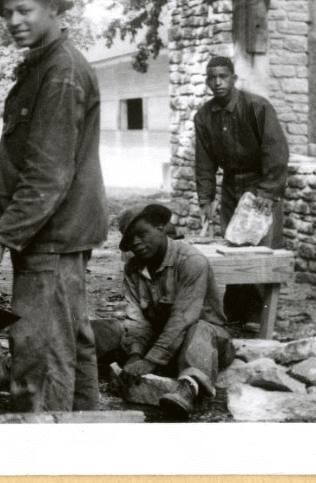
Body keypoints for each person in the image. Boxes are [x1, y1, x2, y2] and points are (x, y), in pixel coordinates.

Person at [0, 0, 108, 413]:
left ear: (53, 9)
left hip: (51, 238)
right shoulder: (42, 66)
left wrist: (2, 235)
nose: (13, 20)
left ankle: (42, 460)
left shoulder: (61, 72)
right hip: (51, 237)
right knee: (70, 343)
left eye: (24, 10)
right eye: (7, 13)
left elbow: (47, 176)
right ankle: (90, 451)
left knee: (40, 357)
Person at [91, 203, 234, 420]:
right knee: (101, 329)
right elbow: (136, 318)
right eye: (130, 239)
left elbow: (183, 319)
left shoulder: (191, 262)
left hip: (205, 341)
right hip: (161, 340)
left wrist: (150, 361)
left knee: (199, 329)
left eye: (141, 234)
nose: (136, 243)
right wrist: (136, 354)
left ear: (160, 228)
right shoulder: (133, 268)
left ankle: (189, 387)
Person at [193, 55, 289, 321]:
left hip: (260, 185)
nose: (218, 82)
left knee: (260, 250)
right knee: (233, 249)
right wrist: (206, 199)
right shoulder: (204, 117)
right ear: (207, 81)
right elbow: (204, 162)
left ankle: (261, 319)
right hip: (231, 187)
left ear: (233, 79)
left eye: (223, 76)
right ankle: (236, 314)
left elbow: (276, 152)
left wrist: (268, 192)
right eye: (212, 77)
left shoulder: (257, 107)